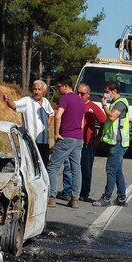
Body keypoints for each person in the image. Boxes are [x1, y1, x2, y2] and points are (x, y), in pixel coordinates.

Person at [45, 76, 85, 208]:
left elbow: (57, 115)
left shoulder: (65, 98)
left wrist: (56, 133)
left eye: (58, 86)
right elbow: (82, 121)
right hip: (78, 137)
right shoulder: (80, 101)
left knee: (53, 166)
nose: (58, 89)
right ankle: (75, 199)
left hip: (66, 136)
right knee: (76, 168)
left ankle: (51, 197)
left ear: (65, 86)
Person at [92, 81, 130, 207]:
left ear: (114, 91)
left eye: (107, 92)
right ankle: (121, 198)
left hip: (118, 143)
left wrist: (104, 106)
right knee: (117, 170)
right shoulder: (115, 102)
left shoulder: (120, 103)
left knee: (110, 170)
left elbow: (112, 117)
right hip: (115, 142)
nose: (105, 94)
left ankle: (107, 198)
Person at [3, 80, 54, 167]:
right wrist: (8, 101)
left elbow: (52, 113)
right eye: (35, 89)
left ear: (44, 92)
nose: (36, 92)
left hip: (44, 141)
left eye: (39, 89)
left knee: (44, 166)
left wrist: (48, 122)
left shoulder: (45, 102)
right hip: (31, 141)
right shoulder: (27, 100)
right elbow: (14, 105)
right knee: (31, 166)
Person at [77, 82, 106, 202]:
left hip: (87, 143)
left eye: (82, 93)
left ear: (88, 94)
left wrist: (98, 138)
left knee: (86, 168)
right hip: (74, 141)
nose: (79, 95)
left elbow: (103, 121)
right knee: (72, 168)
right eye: (77, 93)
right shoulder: (74, 104)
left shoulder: (93, 107)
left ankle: (84, 193)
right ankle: (70, 191)